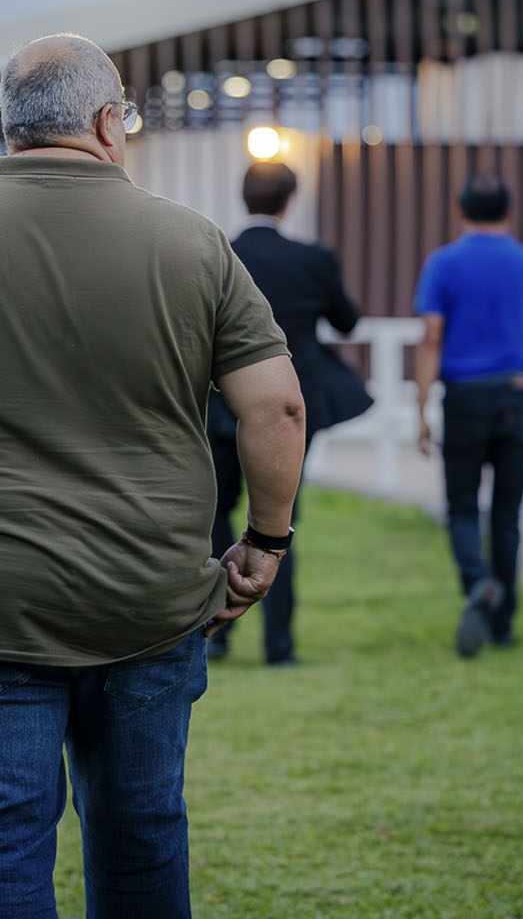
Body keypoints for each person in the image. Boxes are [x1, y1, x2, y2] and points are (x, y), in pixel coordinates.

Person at [0, 32, 307, 918]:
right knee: (139, 838)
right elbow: (276, 408)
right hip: (148, 596)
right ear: (105, 122)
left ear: (12, 127)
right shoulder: (192, 242)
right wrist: (267, 543)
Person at [205, 160, 370, 665]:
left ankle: (217, 632)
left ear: (243, 196)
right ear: (288, 201)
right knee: (279, 520)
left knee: (216, 512)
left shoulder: (217, 253)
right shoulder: (313, 259)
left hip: (219, 402)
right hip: (290, 401)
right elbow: (347, 320)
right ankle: (280, 646)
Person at [412, 172, 523, 657]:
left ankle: (478, 584)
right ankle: (503, 623)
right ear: (509, 212)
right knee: (508, 514)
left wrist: (421, 407)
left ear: (460, 211)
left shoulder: (442, 264)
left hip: (465, 398)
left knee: (462, 506)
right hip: (517, 393)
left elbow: (431, 337)